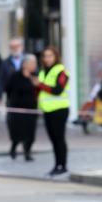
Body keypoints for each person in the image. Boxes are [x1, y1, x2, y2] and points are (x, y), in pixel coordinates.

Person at [34, 46, 70, 176]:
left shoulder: (61, 71)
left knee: (59, 138)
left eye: (50, 56)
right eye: (45, 56)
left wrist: (40, 85)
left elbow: (58, 90)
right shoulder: (43, 72)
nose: (47, 59)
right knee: (53, 139)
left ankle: (63, 165)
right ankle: (56, 165)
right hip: (47, 110)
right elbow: (41, 91)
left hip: (60, 109)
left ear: (56, 57)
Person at [4, 54, 39, 161]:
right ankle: (13, 148)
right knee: (17, 133)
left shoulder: (36, 76)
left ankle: (27, 152)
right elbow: (7, 89)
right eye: (32, 63)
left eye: (35, 63)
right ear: (25, 64)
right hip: (17, 109)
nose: (34, 65)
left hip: (31, 109)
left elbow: (39, 91)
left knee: (30, 133)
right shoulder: (16, 76)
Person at [0, 38, 24, 105]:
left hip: (27, 97)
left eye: (17, 46)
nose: (15, 49)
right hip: (11, 97)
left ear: (21, 47)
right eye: (12, 47)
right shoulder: (5, 63)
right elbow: (1, 80)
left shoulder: (28, 59)